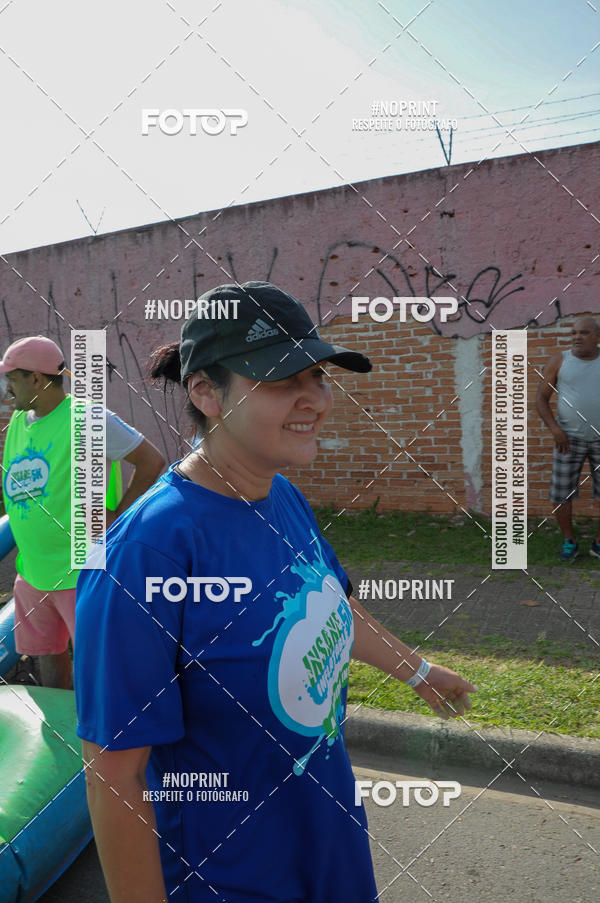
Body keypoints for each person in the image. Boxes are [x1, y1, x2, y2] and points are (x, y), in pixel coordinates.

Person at [74, 282, 476, 903]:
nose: (314, 399)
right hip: (229, 877)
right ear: (206, 391)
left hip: (327, 843)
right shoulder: (144, 553)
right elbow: (114, 773)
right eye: (282, 379)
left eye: (319, 376)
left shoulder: (279, 493)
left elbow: (326, 601)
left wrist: (418, 670)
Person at [0, 335, 165, 688]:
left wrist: (118, 520)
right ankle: (60, 731)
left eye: (12, 378)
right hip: (32, 570)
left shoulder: (87, 418)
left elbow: (151, 462)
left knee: (100, 664)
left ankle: (101, 736)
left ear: (37, 379)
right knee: (46, 655)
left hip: (83, 569)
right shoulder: (18, 422)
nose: (7, 388)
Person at [535, 316, 600, 562]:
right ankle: (568, 541)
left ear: (597, 337)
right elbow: (541, 398)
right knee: (561, 492)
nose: (576, 337)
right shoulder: (560, 360)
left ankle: (598, 543)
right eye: (573, 333)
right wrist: (555, 429)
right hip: (568, 439)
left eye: (583, 333)